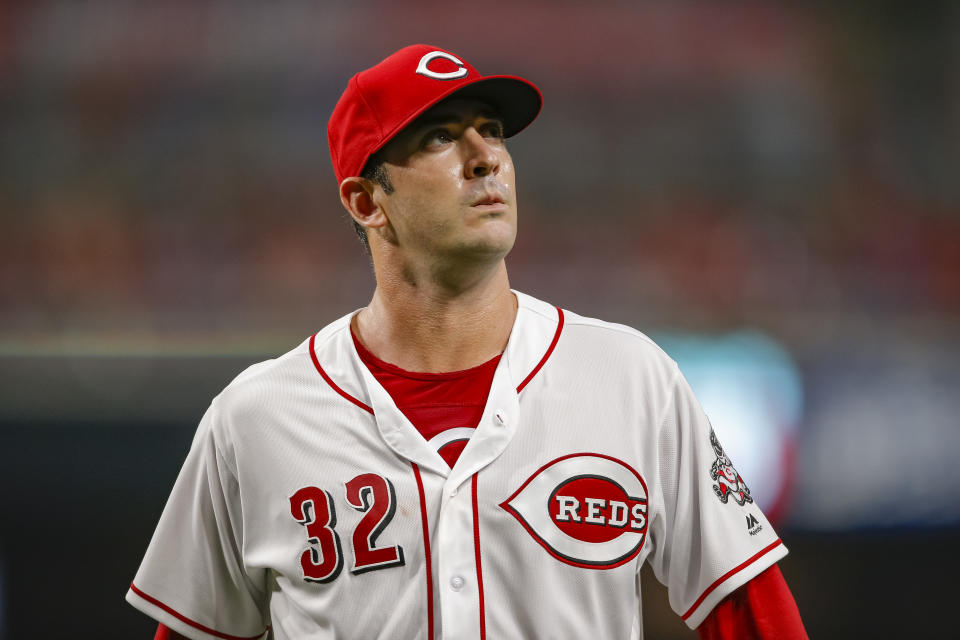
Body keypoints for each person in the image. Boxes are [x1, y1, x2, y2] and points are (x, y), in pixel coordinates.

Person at [127, 44, 807, 640]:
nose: (486, 158)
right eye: (439, 138)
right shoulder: (255, 419)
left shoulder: (632, 378)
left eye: (492, 131)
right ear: (367, 202)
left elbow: (753, 614)